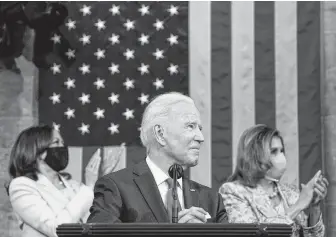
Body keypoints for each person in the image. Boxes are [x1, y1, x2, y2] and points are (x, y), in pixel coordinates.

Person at [87, 92, 228, 223]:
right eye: (190, 126)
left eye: (200, 129)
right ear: (160, 133)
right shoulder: (116, 188)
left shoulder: (212, 200)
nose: (200, 137)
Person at [219, 124, 328, 237]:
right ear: (254, 156)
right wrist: (298, 206)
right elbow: (251, 233)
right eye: (274, 151)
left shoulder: (290, 193)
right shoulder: (232, 191)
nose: (281, 157)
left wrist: (314, 207)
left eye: (282, 151)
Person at [7, 125, 101, 237]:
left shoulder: (74, 186)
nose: (63, 147)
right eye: (56, 142)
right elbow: (57, 229)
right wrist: (89, 186)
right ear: (38, 151)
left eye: (63, 143)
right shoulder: (21, 186)